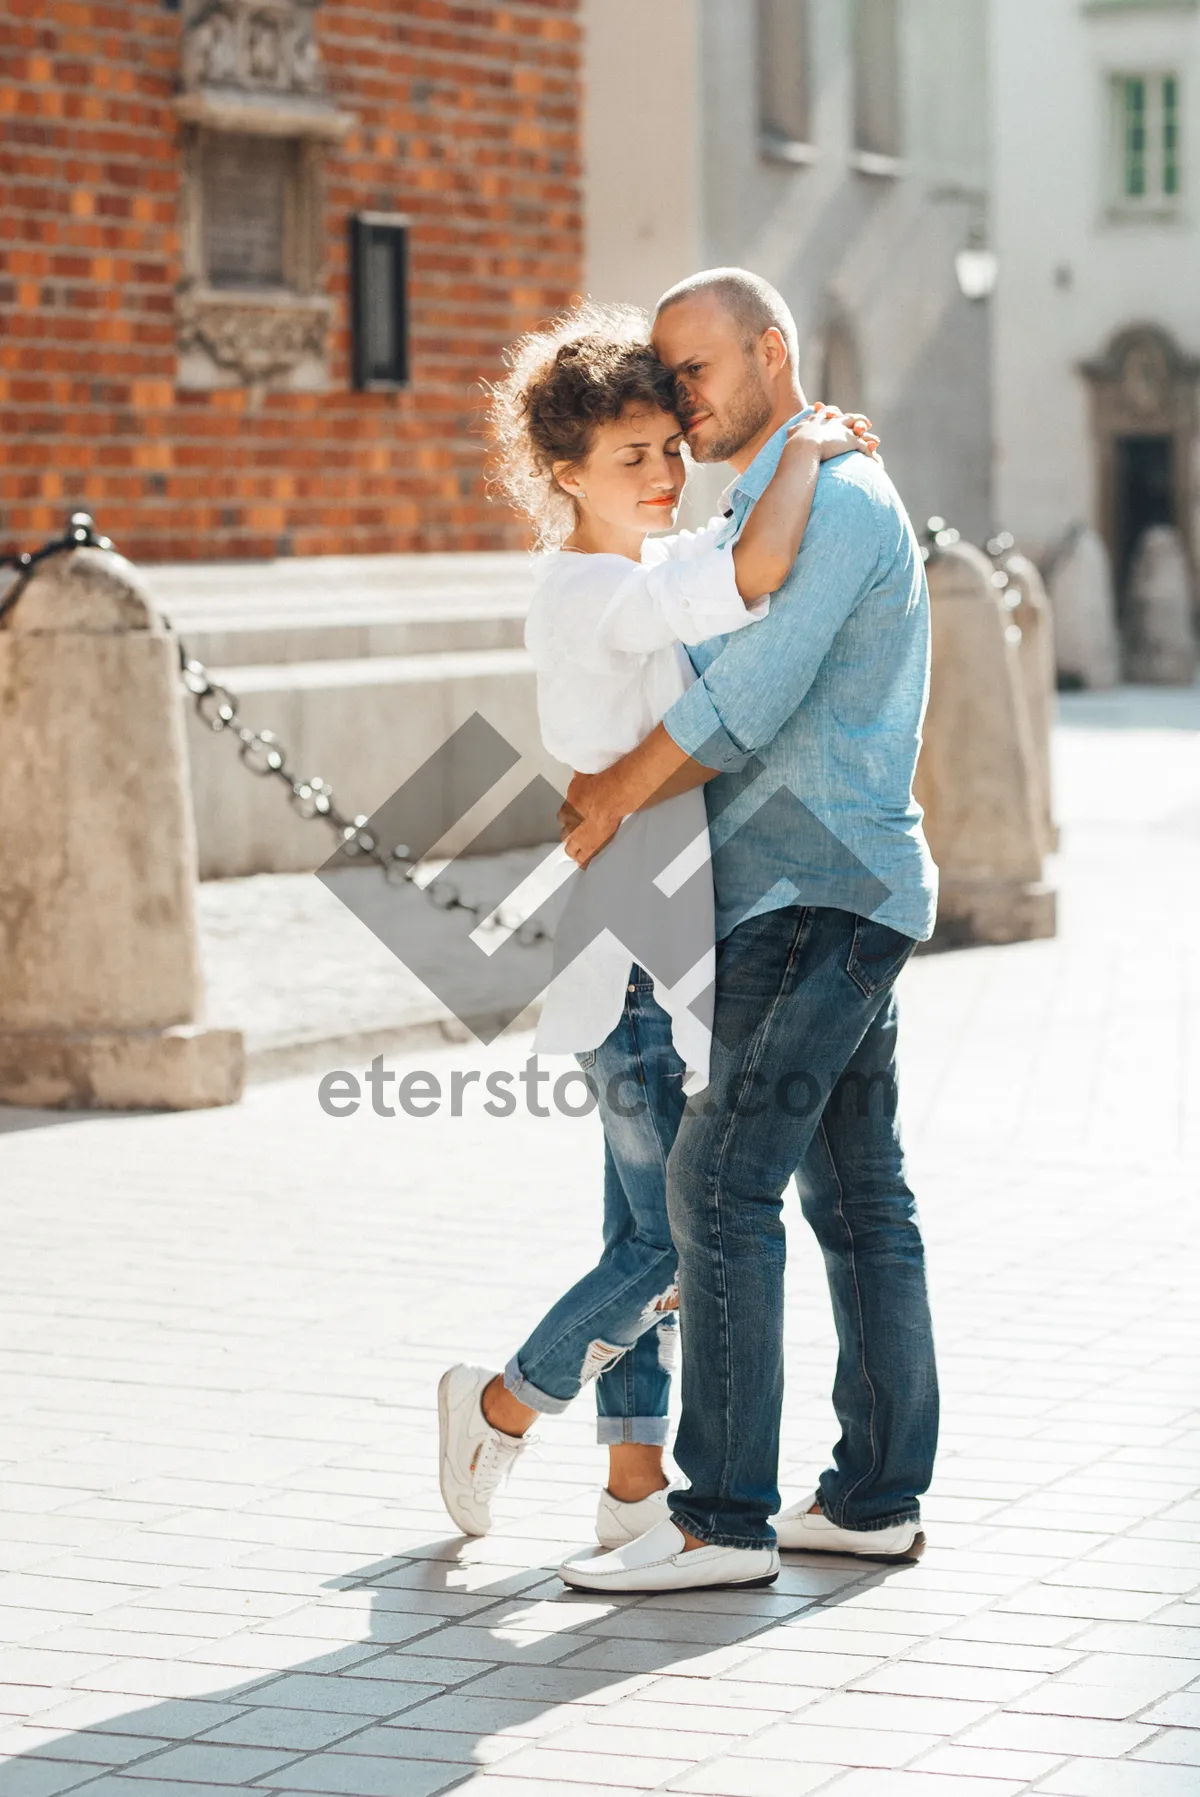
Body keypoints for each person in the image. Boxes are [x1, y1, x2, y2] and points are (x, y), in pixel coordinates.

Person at [437, 301, 878, 1550]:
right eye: (632, 458)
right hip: (631, 958)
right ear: (563, 475)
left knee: (644, 1231)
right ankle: (499, 1405)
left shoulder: (625, 577)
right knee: (677, 1243)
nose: (665, 474)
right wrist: (805, 450)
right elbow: (751, 574)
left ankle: (632, 1491)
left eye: (670, 450)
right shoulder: (591, 590)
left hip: (655, 951)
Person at [557, 269, 940, 1595]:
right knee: (858, 1200)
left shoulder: (830, 496)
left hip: (814, 901)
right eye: (664, 377)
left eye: (697, 369)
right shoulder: (778, 489)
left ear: (772, 352)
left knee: (718, 1187)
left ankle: (720, 1518)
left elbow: (741, 706)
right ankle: (874, 1498)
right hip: (827, 895)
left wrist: (607, 790)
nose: (678, 398)